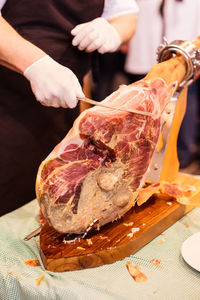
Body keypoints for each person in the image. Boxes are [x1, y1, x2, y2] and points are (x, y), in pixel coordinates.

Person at [0, 0, 139, 216]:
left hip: (62, 110)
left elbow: (127, 14)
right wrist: (35, 65)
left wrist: (113, 31)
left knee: (48, 203)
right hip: (6, 102)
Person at [124, 0, 200, 169]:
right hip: (146, 52)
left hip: (183, 55)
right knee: (144, 106)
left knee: (184, 103)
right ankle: (143, 157)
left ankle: (181, 156)